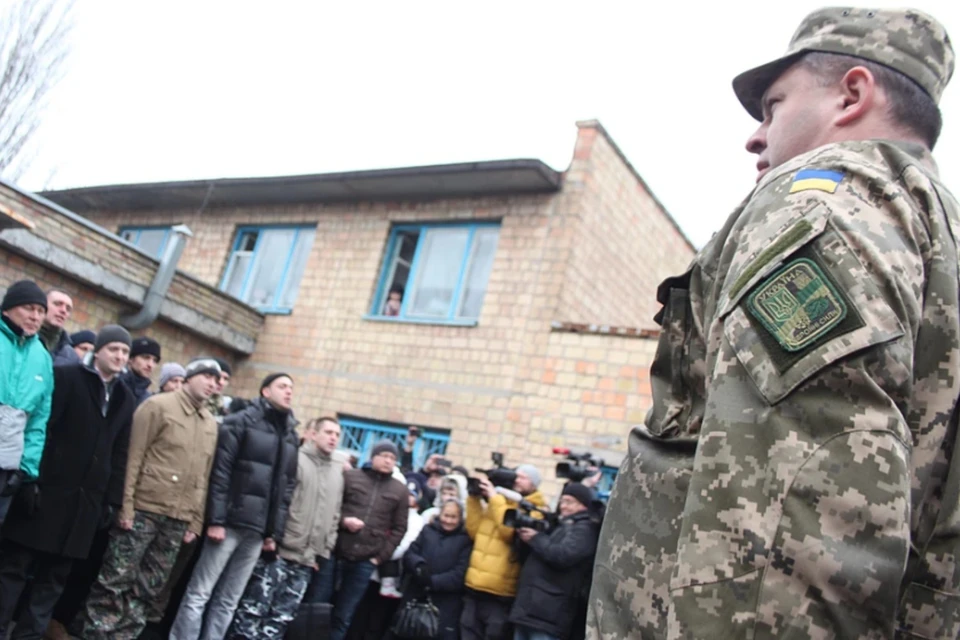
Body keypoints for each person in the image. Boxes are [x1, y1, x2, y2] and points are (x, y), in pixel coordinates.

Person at [589, 8, 960, 640]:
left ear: (852, 94)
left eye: (773, 105)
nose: (756, 137)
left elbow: (789, 510)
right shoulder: (935, 231)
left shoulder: (825, 207)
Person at [0, 325, 136, 640]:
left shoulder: (124, 398)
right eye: (114, 349)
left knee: (53, 581)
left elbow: (120, 452)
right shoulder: (67, 378)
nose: (119, 356)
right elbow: (42, 429)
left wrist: (111, 501)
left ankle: (28, 636)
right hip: (45, 495)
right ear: (98, 350)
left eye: (125, 352)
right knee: (14, 569)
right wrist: (31, 480)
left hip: (84, 507)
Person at [78, 358, 221, 640]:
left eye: (215, 380)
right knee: (116, 578)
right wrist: (126, 504)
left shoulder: (209, 424)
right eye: (205, 376)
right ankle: (96, 633)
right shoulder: (158, 406)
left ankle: (125, 636)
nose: (211, 384)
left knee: (149, 586)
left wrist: (195, 520)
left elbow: (203, 476)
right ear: (189, 377)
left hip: (177, 518)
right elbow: (133, 456)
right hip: (144, 509)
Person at [170, 373, 300, 640]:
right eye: (282, 386)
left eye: (291, 388)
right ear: (265, 391)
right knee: (199, 593)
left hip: (258, 532)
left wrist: (272, 534)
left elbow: (285, 488)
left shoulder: (289, 435)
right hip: (228, 523)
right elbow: (221, 472)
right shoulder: (239, 423)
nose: (288, 392)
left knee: (229, 599)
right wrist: (216, 519)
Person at [226, 417, 345, 640]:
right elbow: (278, 501)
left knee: (282, 616)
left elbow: (334, 513)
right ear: (313, 434)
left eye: (337, 435)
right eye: (328, 432)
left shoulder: (337, 473)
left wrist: (323, 549)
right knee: (254, 609)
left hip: (307, 559)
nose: (333, 438)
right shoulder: (296, 460)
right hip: (281, 550)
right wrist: (272, 536)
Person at [323, 439, 408, 640]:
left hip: (365, 561)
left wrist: (379, 558)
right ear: (373, 457)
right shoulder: (352, 477)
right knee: (318, 606)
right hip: (335, 551)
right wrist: (344, 522)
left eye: (393, 458)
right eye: (385, 456)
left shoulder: (399, 490)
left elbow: (399, 528)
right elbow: (332, 508)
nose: (388, 461)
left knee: (344, 614)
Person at [462, 464, 547, 640]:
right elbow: (474, 531)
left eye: (523, 477)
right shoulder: (501, 502)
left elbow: (508, 533)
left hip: (500, 594)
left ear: (534, 484)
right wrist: (474, 499)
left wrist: (494, 498)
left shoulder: (535, 508)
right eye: (516, 475)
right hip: (474, 586)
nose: (517, 479)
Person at [509, 483, 599, 640]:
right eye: (562, 501)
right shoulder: (561, 525)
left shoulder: (585, 529)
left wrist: (536, 538)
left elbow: (563, 556)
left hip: (549, 613)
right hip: (531, 608)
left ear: (583, 504)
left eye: (569, 502)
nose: (563, 506)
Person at [0, 280, 53, 529]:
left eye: (41, 311)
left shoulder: (42, 357)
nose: (35, 316)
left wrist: (26, 470)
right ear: (8, 308)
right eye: (28, 308)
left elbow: (38, 421)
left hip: (7, 468)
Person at [400, 499, 472, 640]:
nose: (449, 521)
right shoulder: (428, 530)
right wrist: (418, 566)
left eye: (453, 517)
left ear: (460, 518)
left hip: (445, 603)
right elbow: (410, 553)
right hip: (416, 594)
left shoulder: (465, 540)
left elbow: (460, 574)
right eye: (446, 515)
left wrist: (432, 582)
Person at [37, 289, 78, 367]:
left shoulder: (71, 356)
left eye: (68, 309)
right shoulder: (22, 338)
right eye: (57, 304)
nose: (63, 311)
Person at [120, 336, 160, 406]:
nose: (150, 365)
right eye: (145, 357)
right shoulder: (114, 385)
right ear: (130, 359)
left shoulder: (148, 399)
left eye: (155, 361)